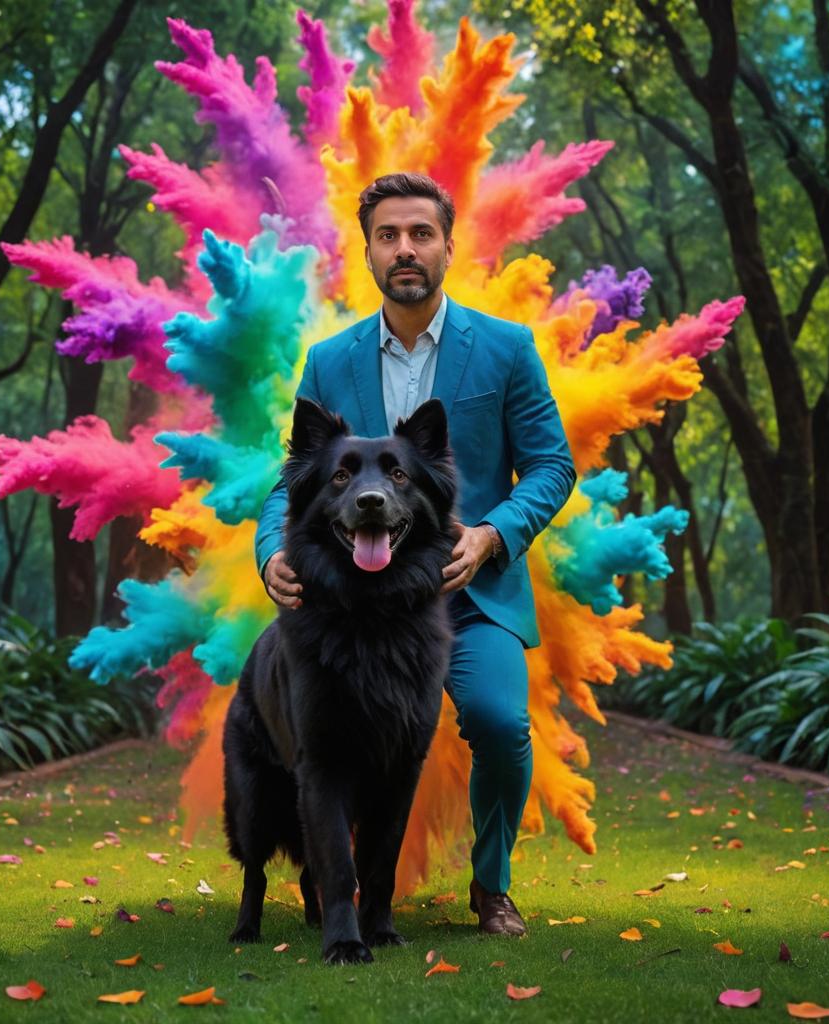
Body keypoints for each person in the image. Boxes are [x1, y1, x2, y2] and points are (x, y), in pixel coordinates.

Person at [254, 172, 576, 936]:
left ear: (447, 246)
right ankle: (347, 893)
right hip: (359, 610)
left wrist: (492, 534)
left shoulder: (505, 349)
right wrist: (271, 551)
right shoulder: (330, 361)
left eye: (420, 234)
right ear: (367, 252)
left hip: (471, 594)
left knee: (500, 723)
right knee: (332, 748)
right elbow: (293, 483)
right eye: (389, 235)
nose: (406, 249)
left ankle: (491, 886)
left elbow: (553, 464)